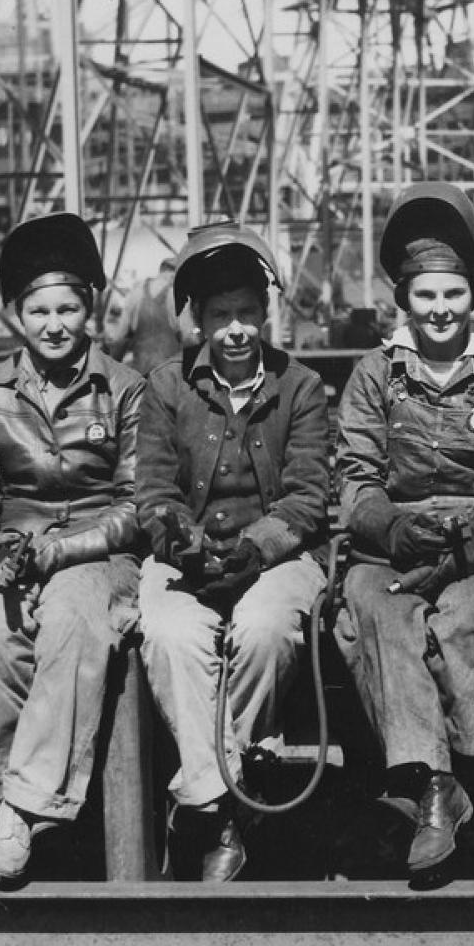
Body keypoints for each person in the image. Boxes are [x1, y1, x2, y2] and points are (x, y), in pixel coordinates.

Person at [333, 183, 474, 878]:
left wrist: (469, 546)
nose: (440, 310)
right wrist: (392, 532)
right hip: (393, 544)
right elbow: (355, 475)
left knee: (465, 619)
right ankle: (432, 787)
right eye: (425, 296)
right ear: (404, 300)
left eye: (453, 294)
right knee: (380, 614)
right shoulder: (375, 374)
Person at [0, 213, 145, 881]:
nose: (54, 324)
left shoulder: (124, 387)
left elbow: (135, 503)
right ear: (17, 314)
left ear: (89, 308)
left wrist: (67, 551)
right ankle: (23, 799)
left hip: (96, 548)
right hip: (16, 542)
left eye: (68, 308)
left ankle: (22, 809)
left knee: (70, 621)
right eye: (38, 310)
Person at [135, 222, 330, 882]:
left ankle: (201, 799)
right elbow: (154, 491)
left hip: (276, 558)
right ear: (198, 320)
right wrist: (178, 541)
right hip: (187, 561)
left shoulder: (300, 388)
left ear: (265, 312)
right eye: (221, 316)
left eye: (248, 312)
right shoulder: (165, 389)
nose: (237, 330)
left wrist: (256, 548)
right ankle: (223, 808)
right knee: (168, 633)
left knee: (267, 628)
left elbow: (307, 498)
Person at [105, 255, 188, 375]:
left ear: (161, 271)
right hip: (171, 377)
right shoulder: (177, 295)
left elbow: (120, 337)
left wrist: (112, 369)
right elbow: (190, 338)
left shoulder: (137, 292)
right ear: (175, 273)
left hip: (141, 373)